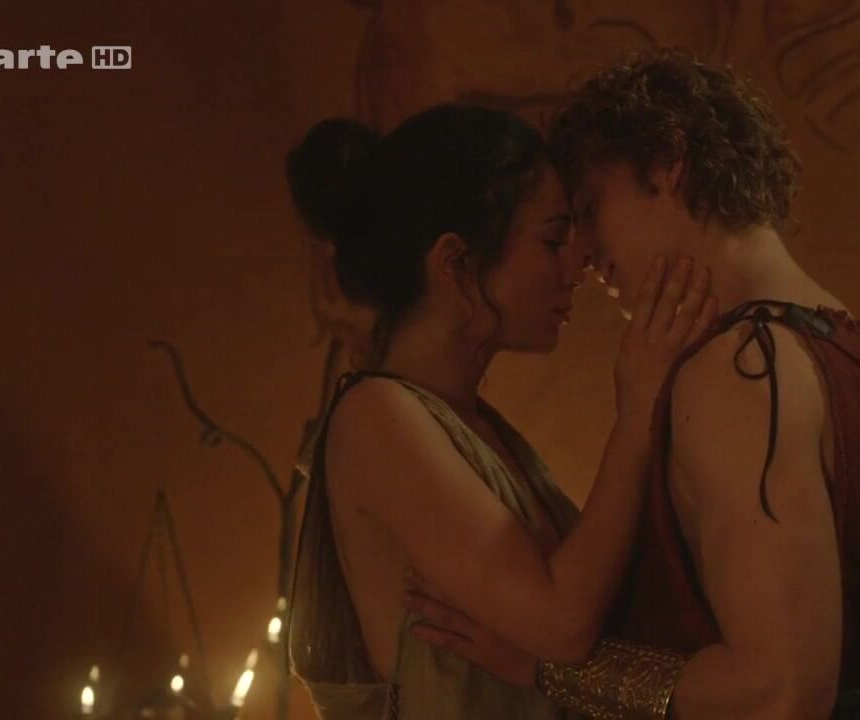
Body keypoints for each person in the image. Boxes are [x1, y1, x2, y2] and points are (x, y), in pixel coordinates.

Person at [407, 50, 860, 719]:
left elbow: (780, 693)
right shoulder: (848, 347)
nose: (583, 254)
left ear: (666, 166)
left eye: (591, 208)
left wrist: (548, 671)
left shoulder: (739, 373)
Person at [284, 104, 717, 719]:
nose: (578, 266)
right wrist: (636, 415)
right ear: (455, 262)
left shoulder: (476, 426)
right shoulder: (376, 417)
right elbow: (563, 625)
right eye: (552, 240)